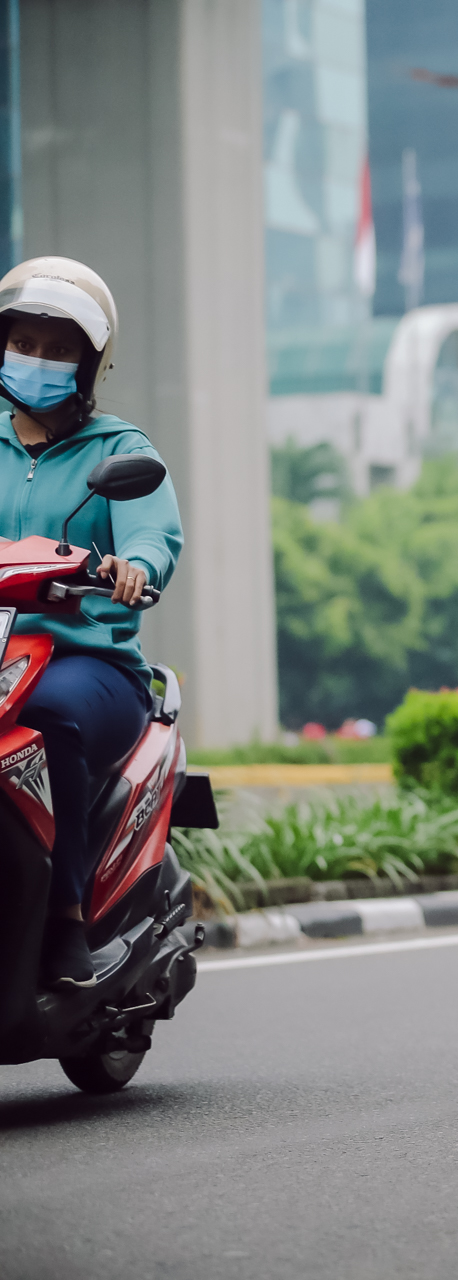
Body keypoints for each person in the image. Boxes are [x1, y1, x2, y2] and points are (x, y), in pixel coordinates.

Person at [0, 258, 182, 989]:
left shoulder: (119, 450)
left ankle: (66, 917)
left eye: (57, 349)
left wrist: (135, 565)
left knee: (47, 721)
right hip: (2, 657)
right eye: (23, 343)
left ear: (88, 363)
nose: (36, 359)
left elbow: (151, 533)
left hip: (89, 662)